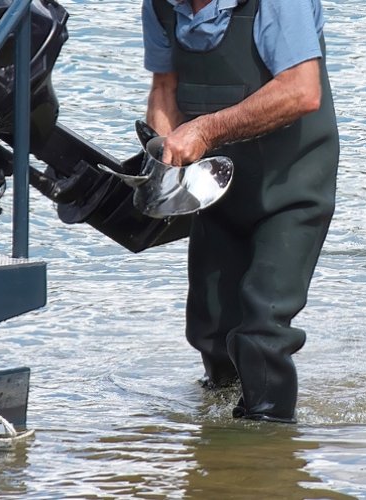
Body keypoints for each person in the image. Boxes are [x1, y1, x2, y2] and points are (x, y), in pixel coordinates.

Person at [141, 0, 339, 423]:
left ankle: (268, 446)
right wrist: (166, 155)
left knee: (263, 331)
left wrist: (205, 129)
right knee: (210, 332)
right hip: (215, 192)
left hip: (291, 188)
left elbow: (302, 91)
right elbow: (164, 89)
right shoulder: (160, 6)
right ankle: (220, 457)